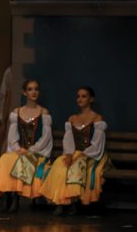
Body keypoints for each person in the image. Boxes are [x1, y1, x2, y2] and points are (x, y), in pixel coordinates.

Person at [40, 86, 112, 215]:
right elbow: (68, 140)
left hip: (90, 154)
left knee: (77, 165)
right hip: (74, 152)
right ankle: (61, 202)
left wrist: (81, 155)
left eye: (84, 96)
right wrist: (69, 154)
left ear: (91, 99)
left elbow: (97, 144)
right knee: (60, 165)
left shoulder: (97, 119)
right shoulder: (72, 119)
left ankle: (73, 202)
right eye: (78, 96)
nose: (80, 99)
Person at [0, 79, 53, 212]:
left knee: (21, 160)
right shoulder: (17, 112)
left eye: (36, 89)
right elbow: (12, 136)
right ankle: (7, 194)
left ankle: (15, 198)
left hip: (37, 152)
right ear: (24, 92)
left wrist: (32, 149)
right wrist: (17, 148)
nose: (33, 92)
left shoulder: (43, 113)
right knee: (5, 159)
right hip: (20, 150)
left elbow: (46, 137)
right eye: (30, 89)